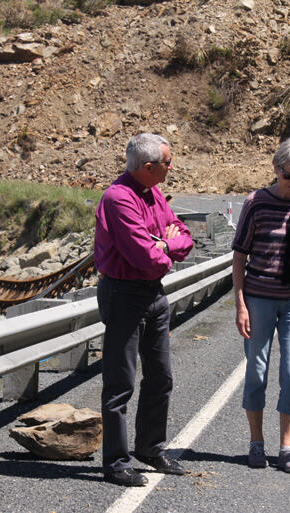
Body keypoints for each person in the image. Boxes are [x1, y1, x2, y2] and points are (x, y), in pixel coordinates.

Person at [94, 133, 194, 487]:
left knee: (161, 376)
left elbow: (185, 237)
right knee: (120, 382)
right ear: (149, 167)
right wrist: (166, 247)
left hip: (153, 294)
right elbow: (147, 260)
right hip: (124, 294)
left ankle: (150, 448)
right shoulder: (118, 199)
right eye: (169, 163)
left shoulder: (151, 193)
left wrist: (164, 241)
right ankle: (116, 462)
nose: (172, 168)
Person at [232, 137, 290, 473]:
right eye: (289, 176)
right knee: (257, 371)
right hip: (258, 298)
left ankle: (286, 448)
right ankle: (256, 443)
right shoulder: (256, 203)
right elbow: (239, 256)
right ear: (276, 170)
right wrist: (240, 305)